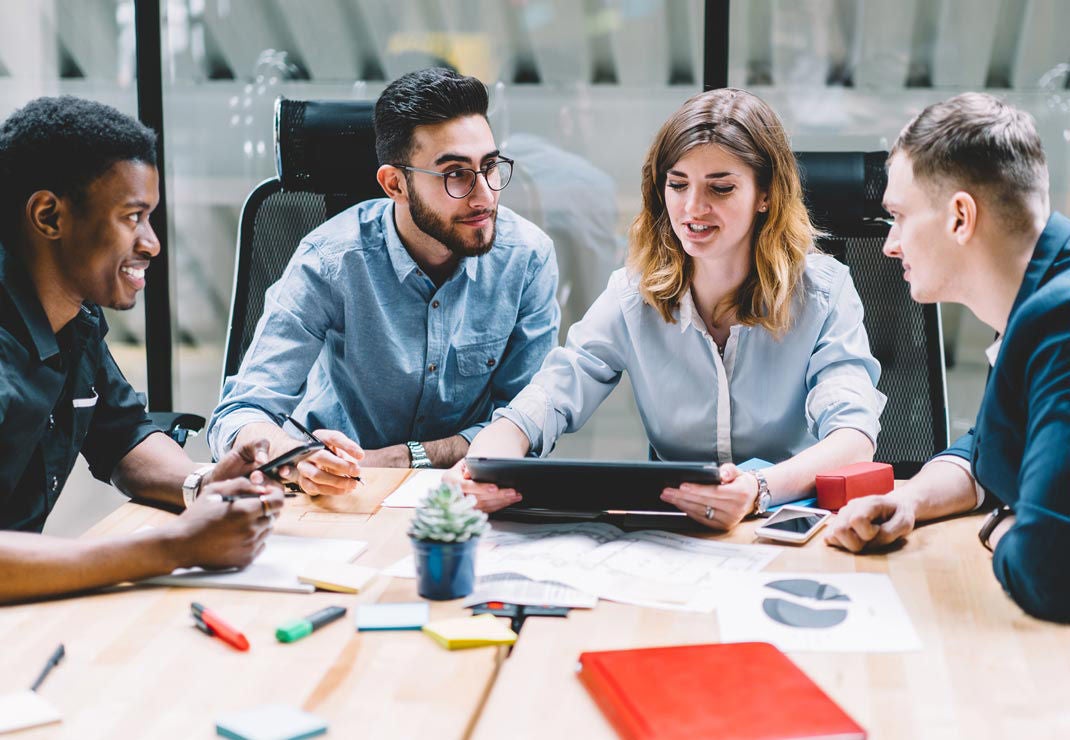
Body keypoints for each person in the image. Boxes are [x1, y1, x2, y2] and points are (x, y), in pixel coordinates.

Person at [455, 88, 885, 530]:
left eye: (720, 188)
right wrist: (483, 464)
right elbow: (548, 398)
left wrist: (757, 488)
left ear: (766, 195)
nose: (693, 208)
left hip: (789, 526)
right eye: (677, 185)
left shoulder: (823, 292)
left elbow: (853, 438)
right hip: (677, 536)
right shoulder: (632, 295)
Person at [207, 67, 560, 494]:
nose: (484, 194)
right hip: (333, 492)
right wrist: (294, 459)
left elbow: (526, 422)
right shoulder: (330, 261)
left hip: (458, 493)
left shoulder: (527, 258)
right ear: (395, 184)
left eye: (489, 166)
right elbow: (239, 413)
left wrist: (405, 457)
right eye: (455, 174)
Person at [0, 96, 285, 604]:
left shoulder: (73, 317)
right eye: (132, 217)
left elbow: (122, 434)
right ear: (48, 216)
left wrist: (204, 482)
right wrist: (174, 546)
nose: (152, 243)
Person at [824, 93, 1070, 622]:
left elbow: (1048, 570)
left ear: (960, 217)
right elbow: (993, 440)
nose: (889, 245)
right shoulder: (1037, 300)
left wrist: (1000, 524)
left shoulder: (1061, 322)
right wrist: (910, 501)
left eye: (899, 216)